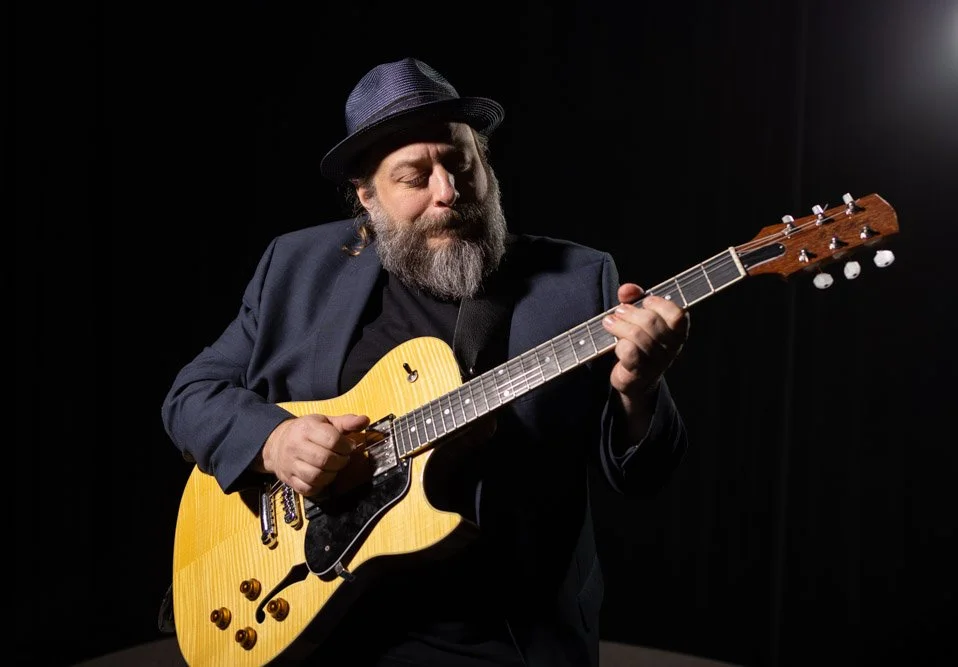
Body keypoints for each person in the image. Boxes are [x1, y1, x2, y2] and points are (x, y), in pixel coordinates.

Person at [161, 56, 691, 667]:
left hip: (498, 633)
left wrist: (639, 388)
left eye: (461, 165)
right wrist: (274, 440)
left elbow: (645, 476)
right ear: (368, 196)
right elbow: (191, 395)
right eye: (416, 177)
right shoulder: (296, 268)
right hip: (310, 622)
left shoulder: (577, 283)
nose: (448, 194)